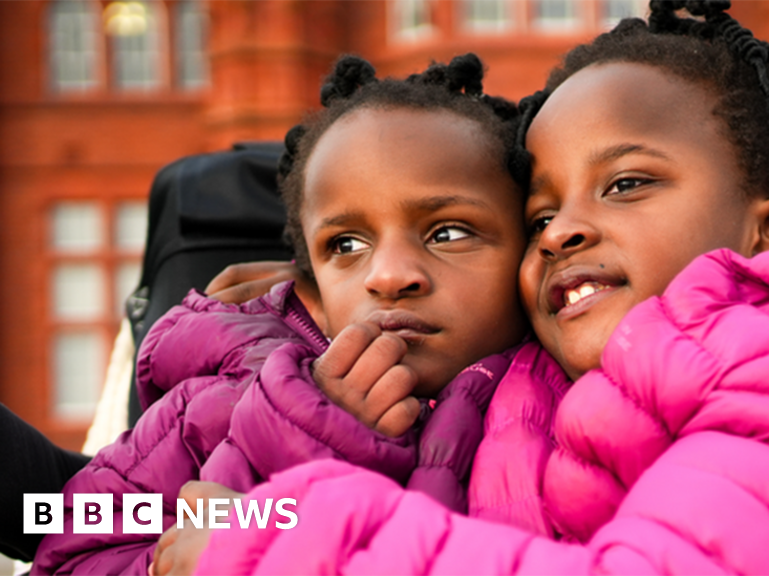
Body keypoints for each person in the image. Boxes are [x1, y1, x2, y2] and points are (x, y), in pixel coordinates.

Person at [163, 2, 769, 575]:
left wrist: (260, 547)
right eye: (539, 215)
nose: (564, 229)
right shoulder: (543, 388)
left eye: (625, 185)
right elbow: (73, 515)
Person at [31, 53, 530, 576]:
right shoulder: (220, 404)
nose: (387, 275)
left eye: (447, 233)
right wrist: (304, 438)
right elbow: (75, 551)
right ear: (310, 277)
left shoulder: (569, 393)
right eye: (346, 244)